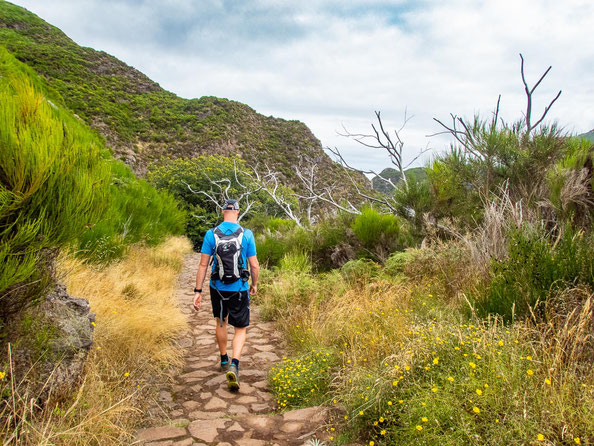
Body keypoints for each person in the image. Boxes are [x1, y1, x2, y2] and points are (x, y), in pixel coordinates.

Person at [192, 199, 259, 391]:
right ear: (237, 212)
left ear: (222, 212)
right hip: (239, 288)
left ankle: (223, 359)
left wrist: (198, 292)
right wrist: (253, 284)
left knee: (221, 322)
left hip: (217, 288)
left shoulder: (210, 234)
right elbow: (254, 265)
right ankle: (235, 364)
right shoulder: (246, 234)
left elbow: (203, 265)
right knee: (240, 328)